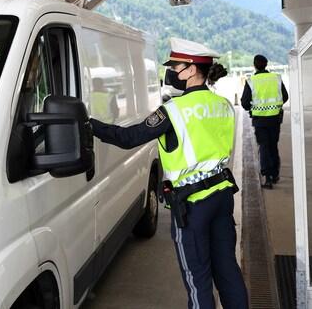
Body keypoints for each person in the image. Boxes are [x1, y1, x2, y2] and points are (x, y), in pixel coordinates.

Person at [90, 37, 249, 309]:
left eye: (176, 66)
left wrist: (90, 125)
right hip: (222, 197)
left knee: (198, 279)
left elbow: (129, 137)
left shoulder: (174, 111)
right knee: (228, 273)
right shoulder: (223, 105)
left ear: (191, 69)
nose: (172, 72)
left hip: (193, 206)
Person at [240, 55, 289, 189]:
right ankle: (275, 175)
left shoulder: (251, 81)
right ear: (266, 64)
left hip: (259, 120)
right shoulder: (276, 78)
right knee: (273, 146)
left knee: (264, 147)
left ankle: (267, 178)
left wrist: (254, 108)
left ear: (254, 65)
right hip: (274, 119)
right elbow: (285, 97)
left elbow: (244, 103)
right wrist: (275, 106)